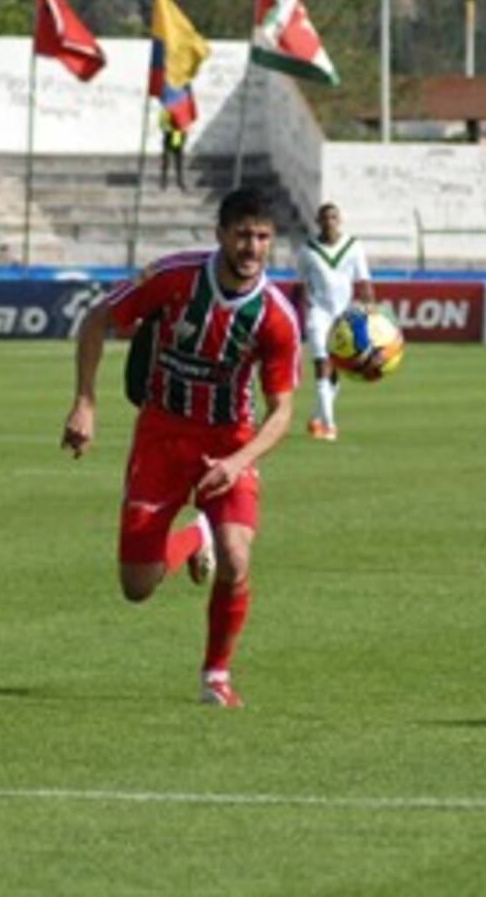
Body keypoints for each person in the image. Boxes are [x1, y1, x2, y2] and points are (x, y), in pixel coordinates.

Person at [60, 187, 302, 708]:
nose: (251, 247)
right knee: (137, 585)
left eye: (262, 237)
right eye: (242, 234)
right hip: (162, 437)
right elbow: (98, 319)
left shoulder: (277, 317)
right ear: (220, 234)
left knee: (239, 560)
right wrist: (85, 402)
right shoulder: (174, 277)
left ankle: (215, 674)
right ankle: (196, 537)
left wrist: (239, 462)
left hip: (229, 441)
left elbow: (282, 410)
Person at [292, 202, 374, 441]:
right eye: (325, 218)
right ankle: (329, 425)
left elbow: (364, 281)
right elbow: (299, 285)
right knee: (322, 364)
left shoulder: (353, 246)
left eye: (334, 217)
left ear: (340, 220)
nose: (330, 221)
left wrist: (370, 311)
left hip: (344, 315)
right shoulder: (307, 250)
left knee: (336, 369)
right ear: (317, 221)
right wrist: (297, 317)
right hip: (318, 313)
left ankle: (316, 419)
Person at [160, 110, 187, 191]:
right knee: (166, 161)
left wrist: (183, 134)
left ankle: (180, 181)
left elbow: (185, 125)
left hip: (177, 137)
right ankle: (164, 181)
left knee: (179, 162)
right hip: (168, 138)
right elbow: (162, 125)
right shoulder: (165, 112)